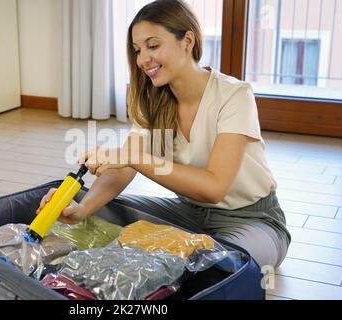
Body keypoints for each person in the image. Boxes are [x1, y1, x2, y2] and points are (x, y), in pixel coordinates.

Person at [38, 0, 290, 269]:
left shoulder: (235, 95)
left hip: (251, 220)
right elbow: (123, 169)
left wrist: (133, 158)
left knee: (225, 265)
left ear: (187, 40)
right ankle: (183, 252)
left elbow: (214, 188)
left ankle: (193, 257)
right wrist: (84, 209)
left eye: (153, 46)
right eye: (137, 50)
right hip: (187, 213)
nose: (143, 59)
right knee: (91, 205)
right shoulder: (153, 100)